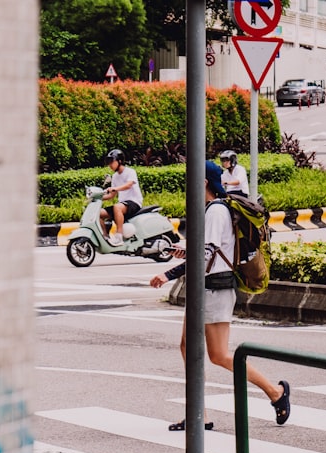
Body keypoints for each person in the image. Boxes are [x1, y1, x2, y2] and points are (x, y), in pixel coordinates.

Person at [150, 161, 290, 430]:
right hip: (204, 288)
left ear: (203, 182)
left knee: (219, 355)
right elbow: (204, 251)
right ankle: (197, 413)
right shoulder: (212, 209)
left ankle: (276, 393)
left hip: (215, 288)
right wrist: (179, 254)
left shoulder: (215, 210)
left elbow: (207, 253)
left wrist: (171, 271)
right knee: (187, 347)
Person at [101, 149, 142, 246]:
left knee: (117, 207)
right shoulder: (115, 176)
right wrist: (98, 198)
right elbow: (112, 195)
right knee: (99, 213)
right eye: (109, 162)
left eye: (112, 162)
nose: (110, 165)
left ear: (119, 161)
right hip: (122, 205)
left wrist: (114, 188)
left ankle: (119, 237)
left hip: (134, 202)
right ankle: (105, 237)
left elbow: (128, 185)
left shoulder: (130, 172)